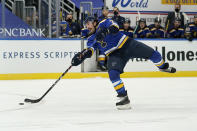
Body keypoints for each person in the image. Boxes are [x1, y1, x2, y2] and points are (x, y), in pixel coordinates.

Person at [71, 17, 176, 110]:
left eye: (88, 24)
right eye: (85, 25)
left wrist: (105, 31)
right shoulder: (90, 39)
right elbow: (90, 51)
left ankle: (163, 67)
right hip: (115, 55)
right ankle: (123, 97)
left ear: (94, 22)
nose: (87, 26)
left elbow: (115, 27)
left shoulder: (104, 22)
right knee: (112, 74)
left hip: (128, 44)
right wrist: (82, 56)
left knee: (155, 54)